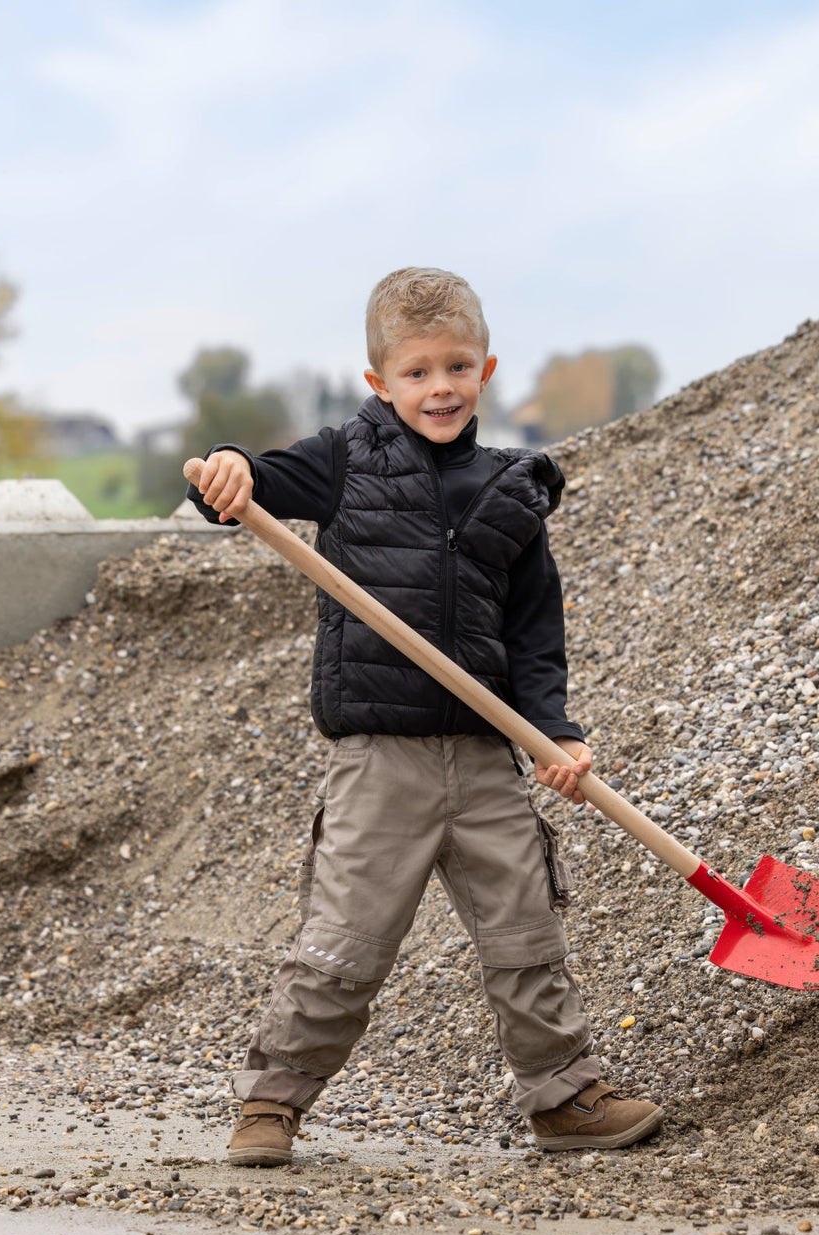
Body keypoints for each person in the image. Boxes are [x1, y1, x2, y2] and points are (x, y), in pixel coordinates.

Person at [187, 266, 663, 1166]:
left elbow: (534, 633)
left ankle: (564, 1098)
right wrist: (230, 468)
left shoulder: (511, 488)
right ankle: (271, 1106)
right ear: (379, 383)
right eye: (415, 373)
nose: (438, 388)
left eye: (455, 367)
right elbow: (256, 482)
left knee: (527, 935)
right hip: (380, 759)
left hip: (489, 757)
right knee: (343, 944)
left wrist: (554, 731)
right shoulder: (343, 464)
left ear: (486, 370)